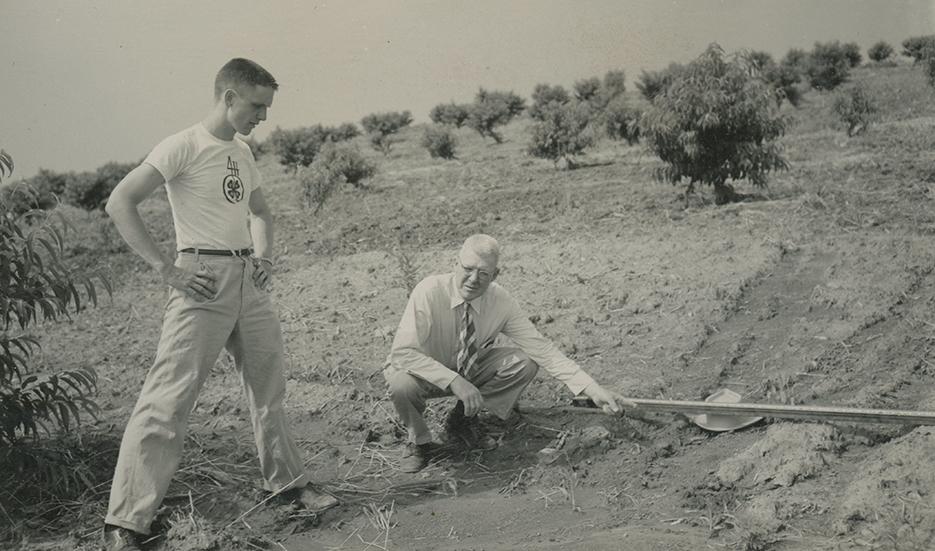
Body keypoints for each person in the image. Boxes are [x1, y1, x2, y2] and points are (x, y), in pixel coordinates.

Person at [101, 58, 336, 551]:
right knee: (168, 400)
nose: (263, 117)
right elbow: (120, 202)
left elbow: (262, 212)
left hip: (247, 281)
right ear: (228, 97)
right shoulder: (181, 145)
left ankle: (288, 487)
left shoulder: (243, 152)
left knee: (268, 391)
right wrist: (168, 270)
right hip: (200, 281)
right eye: (256, 106)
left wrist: (265, 255)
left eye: (267, 108)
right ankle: (126, 523)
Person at [384, 234, 634, 473]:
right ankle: (419, 443)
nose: (473, 279)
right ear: (455, 264)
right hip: (425, 373)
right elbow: (403, 353)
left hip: (468, 369)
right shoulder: (429, 291)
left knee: (524, 363)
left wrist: (592, 389)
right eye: (468, 269)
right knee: (400, 383)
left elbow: (542, 349)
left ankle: (463, 420)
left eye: (484, 273)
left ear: (495, 274)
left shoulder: (501, 301)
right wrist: (454, 381)